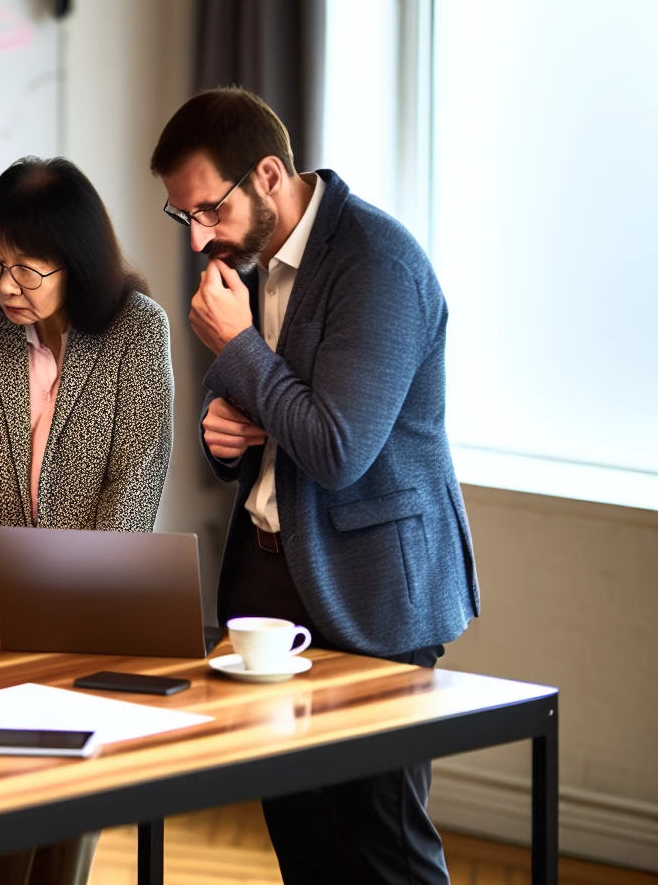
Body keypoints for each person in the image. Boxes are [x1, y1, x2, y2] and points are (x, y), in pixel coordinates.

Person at [151, 87, 478, 885]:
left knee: (384, 848)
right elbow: (265, 412)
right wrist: (219, 435)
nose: (199, 240)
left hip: (371, 589)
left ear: (268, 174)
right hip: (266, 577)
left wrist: (234, 347)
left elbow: (336, 448)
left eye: (208, 210)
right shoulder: (251, 263)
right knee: (302, 841)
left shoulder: (379, 264)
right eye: (182, 217)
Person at [0, 156, 174, 885]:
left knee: (68, 823)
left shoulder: (136, 332)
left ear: (78, 265)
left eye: (29, 269)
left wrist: (83, 594)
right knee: (0, 805)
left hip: (93, 611)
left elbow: (137, 475)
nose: (4, 285)